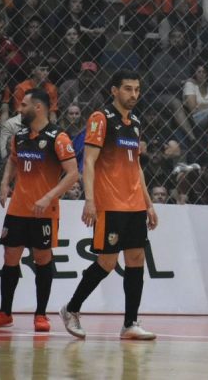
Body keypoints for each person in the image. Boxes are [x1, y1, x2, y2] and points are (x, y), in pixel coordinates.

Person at [60, 70, 158, 340]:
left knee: (136, 259)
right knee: (106, 262)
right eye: (128, 89)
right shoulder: (100, 119)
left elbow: (136, 165)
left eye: (137, 89)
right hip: (110, 203)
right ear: (114, 90)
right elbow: (88, 161)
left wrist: (148, 204)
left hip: (135, 204)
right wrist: (90, 200)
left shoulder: (135, 121)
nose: (134, 95)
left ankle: (130, 324)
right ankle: (71, 309)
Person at [0, 88, 78, 332]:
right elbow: (14, 159)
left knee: (42, 259)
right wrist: (4, 183)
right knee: (9, 258)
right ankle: (5, 313)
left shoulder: (59, 137)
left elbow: (73, 173)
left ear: (38, 107)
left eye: (24, 105)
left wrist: (48, 196)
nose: (19, 109)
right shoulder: (20, 135)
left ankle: (41, 314)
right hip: (18, 209)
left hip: (44, 211)